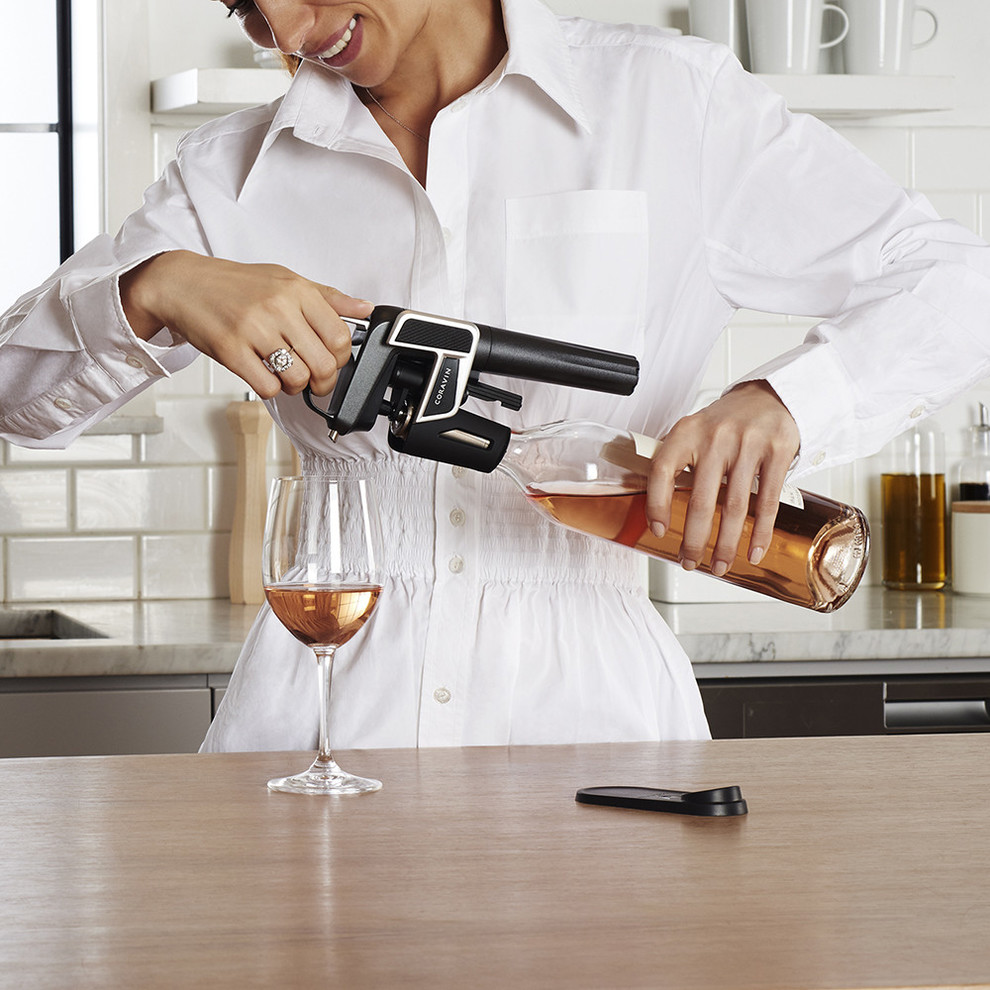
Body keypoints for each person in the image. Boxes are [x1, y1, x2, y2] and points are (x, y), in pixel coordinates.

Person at [3, 0, 990, 751]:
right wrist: (154, 288)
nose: (290, 33)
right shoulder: (229, 174)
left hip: (589, 718)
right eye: (248, 9)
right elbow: (16, 397)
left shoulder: (669, 103)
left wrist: (786, 401)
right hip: (318, 718)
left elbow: (956, 281)